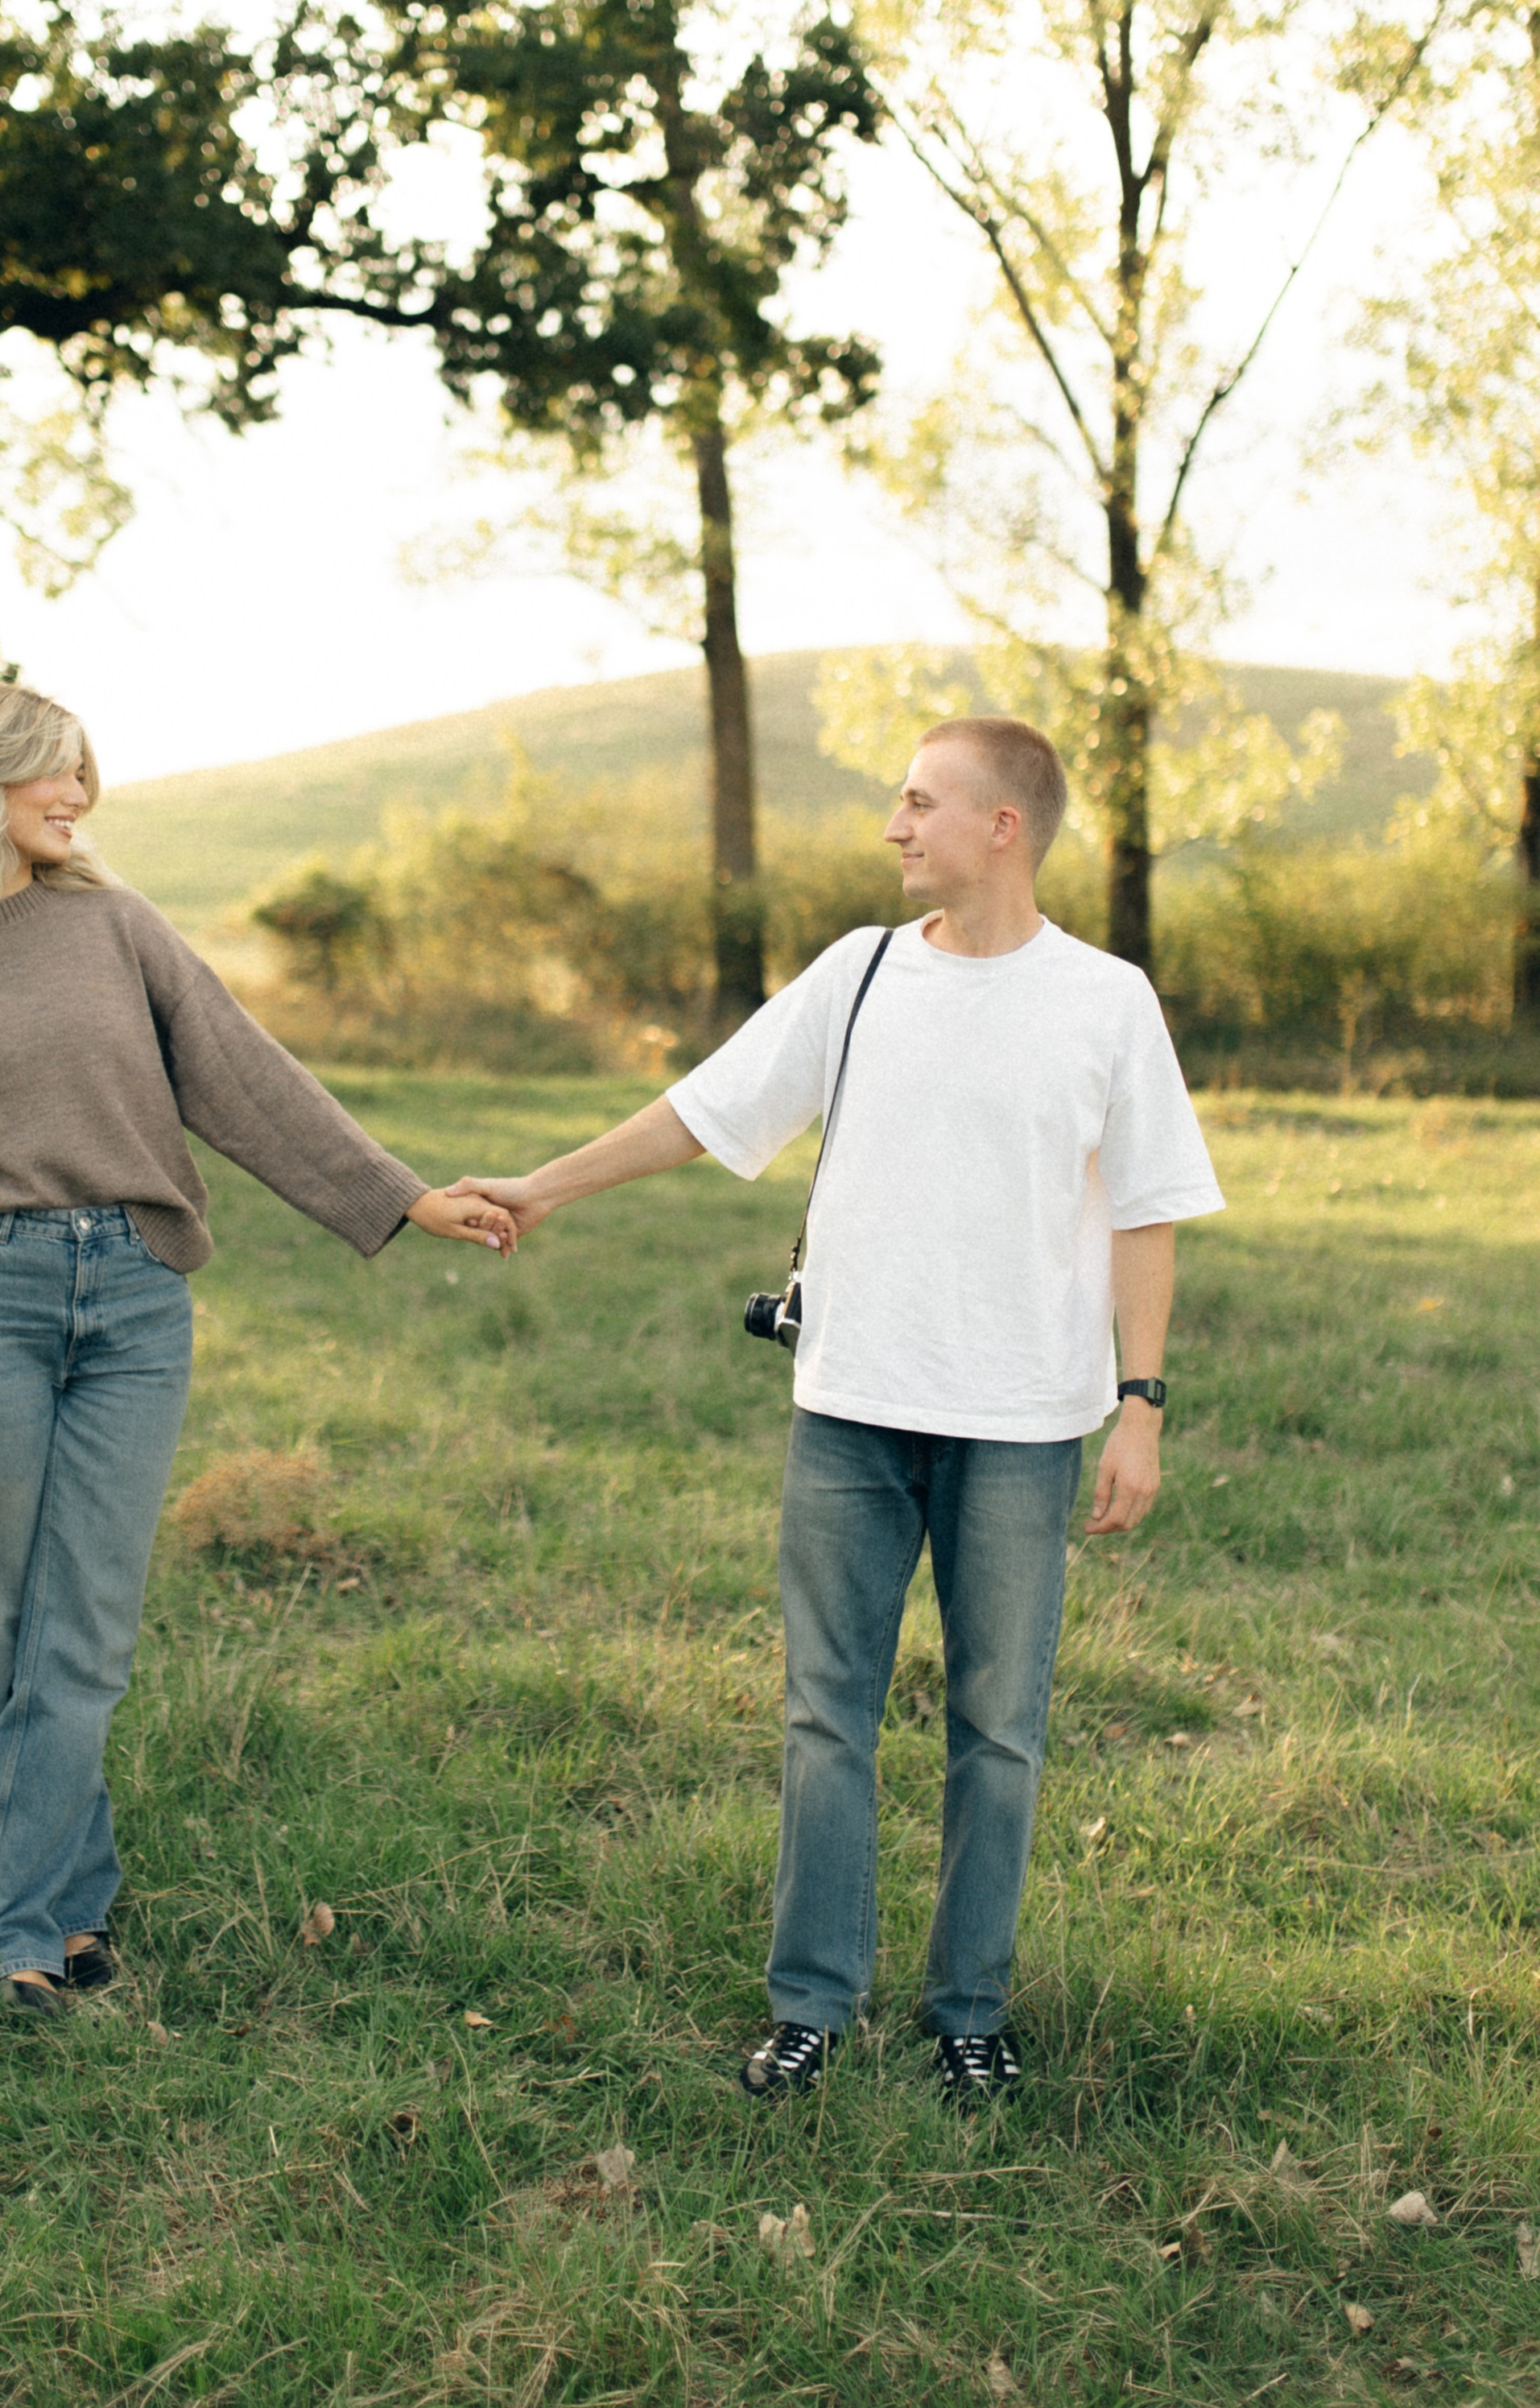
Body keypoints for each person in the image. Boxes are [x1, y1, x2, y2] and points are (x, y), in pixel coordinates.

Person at [449, 716, 1223, 2107]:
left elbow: (1152, 1212)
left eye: (922, 802)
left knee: (1000, 1725)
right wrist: (543, 1186)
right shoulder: (858, 974)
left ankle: (967, 2010)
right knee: (827, 1716)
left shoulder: (1107, 1001)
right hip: (851, 1409)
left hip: (1023, 1423)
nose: (893, 826)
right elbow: (704, 1111)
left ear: (1005, 826)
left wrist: (1141, 1404)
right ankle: (812, 2004)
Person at [0, 681, 517, 2014]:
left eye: (82, 776)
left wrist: (400, 1195)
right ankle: (59, 1916)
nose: (78, 800)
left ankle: (6, 1931)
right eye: (54, 777)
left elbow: (245, 1078)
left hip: (135, 1298)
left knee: (79, 1632)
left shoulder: (115, 929)